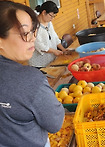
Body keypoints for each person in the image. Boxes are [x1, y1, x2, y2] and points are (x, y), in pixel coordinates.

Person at [0, 1, 65, 147]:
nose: (32, 39)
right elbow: (55, 122)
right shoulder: (29, 79)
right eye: (25, 33)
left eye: (33, 31)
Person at [28, 1, 68, 67]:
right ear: (44, 12)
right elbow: (39, 46)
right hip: (39, 64)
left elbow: (55, 37)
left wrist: (63, 49)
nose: (52, 19)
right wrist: (55, 51)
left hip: (51, 59)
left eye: (54, 16)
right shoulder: (33, 26)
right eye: (51, 16)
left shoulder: (49, 23)